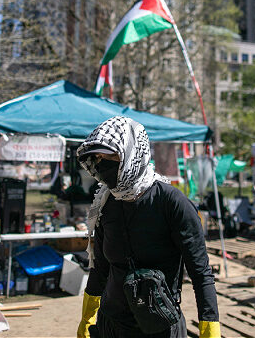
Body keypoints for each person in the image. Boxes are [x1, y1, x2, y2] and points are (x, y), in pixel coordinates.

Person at [76, 116, 220, 338]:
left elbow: (201, 273)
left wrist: (209, 330)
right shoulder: (106, 204)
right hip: (111, 326)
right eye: (97, 158)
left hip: (159, 328)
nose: (102, 164)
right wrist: (88, 318)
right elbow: (101, 267)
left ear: (132, 153)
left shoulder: (172, 203)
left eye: (110, 156)